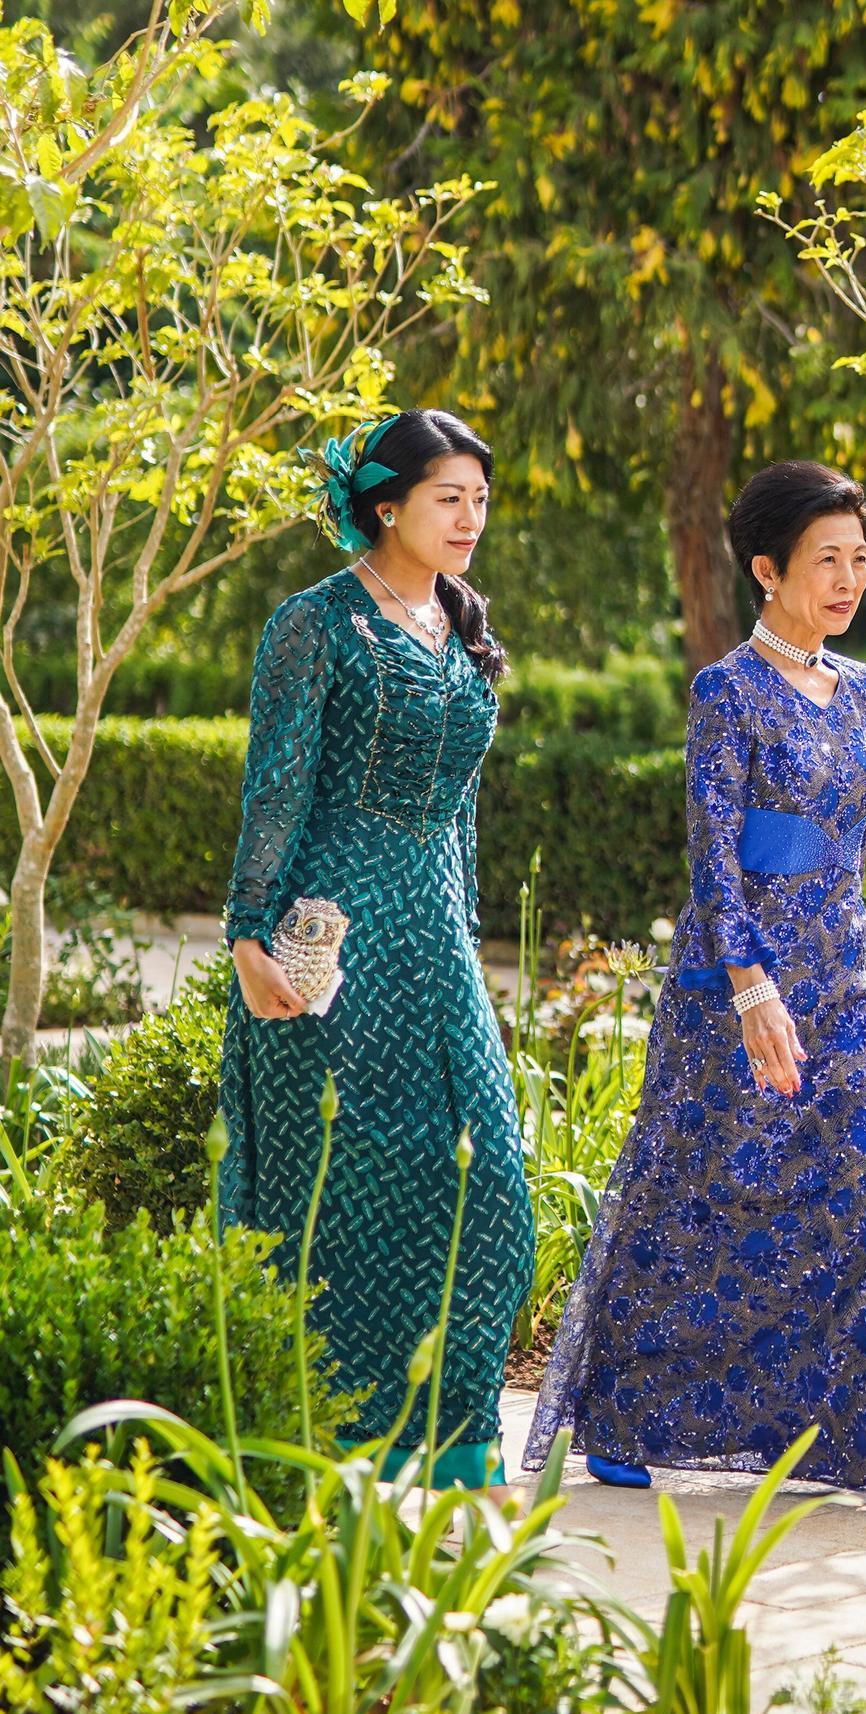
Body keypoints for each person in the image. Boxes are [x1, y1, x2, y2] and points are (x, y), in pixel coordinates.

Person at [522, 459, 866, 1519]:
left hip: (845, 977)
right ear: (767, 570)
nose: (848, 579)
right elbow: (713, 857)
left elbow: (848, 852)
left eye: (859, 559)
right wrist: (751, 989)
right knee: (692, 1200)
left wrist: (842, 966)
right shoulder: (726, 692)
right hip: (732, 992)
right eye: (826, 560)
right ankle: (624, 1415)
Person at [219, 407, 534, 1492]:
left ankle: (452, 1439)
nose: (469, 517)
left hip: (436, 942)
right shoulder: (316, 625)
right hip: (333, 941)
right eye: (449, 497)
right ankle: (338, 1438)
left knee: (490, 1188)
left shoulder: (461, 622)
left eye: (480, 499)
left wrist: (471, 933)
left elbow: (465, 812)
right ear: (385, 505)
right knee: (346, 1191)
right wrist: (249, 936)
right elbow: (276, 786)